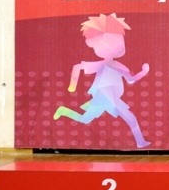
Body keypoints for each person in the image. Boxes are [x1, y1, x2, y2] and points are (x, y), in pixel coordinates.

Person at [54, 13, 150, 148]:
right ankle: (140, 142)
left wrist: (143, 72)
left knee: (86, 119)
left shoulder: (119, 66)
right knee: (90, 119)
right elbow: (77, 67)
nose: (115, 46)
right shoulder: (101, 65)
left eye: (118, 40)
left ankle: (140, 142)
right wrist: (72, 85)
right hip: (103, 97)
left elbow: (131, 80)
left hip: (111, 98)